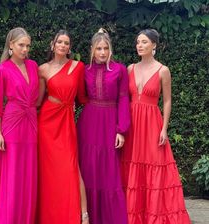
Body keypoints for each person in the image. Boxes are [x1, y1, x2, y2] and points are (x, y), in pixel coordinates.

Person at [121, 29, 191, 223]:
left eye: (144, 42)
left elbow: (167, 101)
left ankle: (153, 215)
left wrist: (164, 129)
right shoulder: (129, 69)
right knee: (131, 165)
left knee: (154, 166)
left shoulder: (163, 70)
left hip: (152, 123)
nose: (139, 45)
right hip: (132, 124)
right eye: (137, 42)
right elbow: (123, 99)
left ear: (154, 45)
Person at [77, 28, 130, 224]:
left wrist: (121, 130)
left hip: (110, 123)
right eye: (98, 48)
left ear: (110, 49)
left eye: (105, 48)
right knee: (88, 168)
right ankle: (86, 213)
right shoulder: (84, 69)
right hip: (89, 123)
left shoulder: (120, 70)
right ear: (91, 49)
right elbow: (80, 97)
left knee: (109, 171)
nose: (102, 52)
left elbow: (124, 99)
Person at [0, 27, 38, 224]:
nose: (25, 49)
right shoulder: (2, 69)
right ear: (11, 45)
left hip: (31, 123)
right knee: (12, 173)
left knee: (28, 173)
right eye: (21, 45)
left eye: (27, 46)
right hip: (12, 125)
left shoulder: (33, 66)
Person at [36, 30, 89, 224]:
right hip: (47, 123)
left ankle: (83, 215)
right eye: (60, 42)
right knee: (48, 172)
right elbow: (38, 101)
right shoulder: (42, 69)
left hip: (66, 122)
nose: (63, 45)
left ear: (70, 47)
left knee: (71, 167)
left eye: (66, 43)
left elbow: (83, 97)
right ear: (53, 44)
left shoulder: (78, 66)